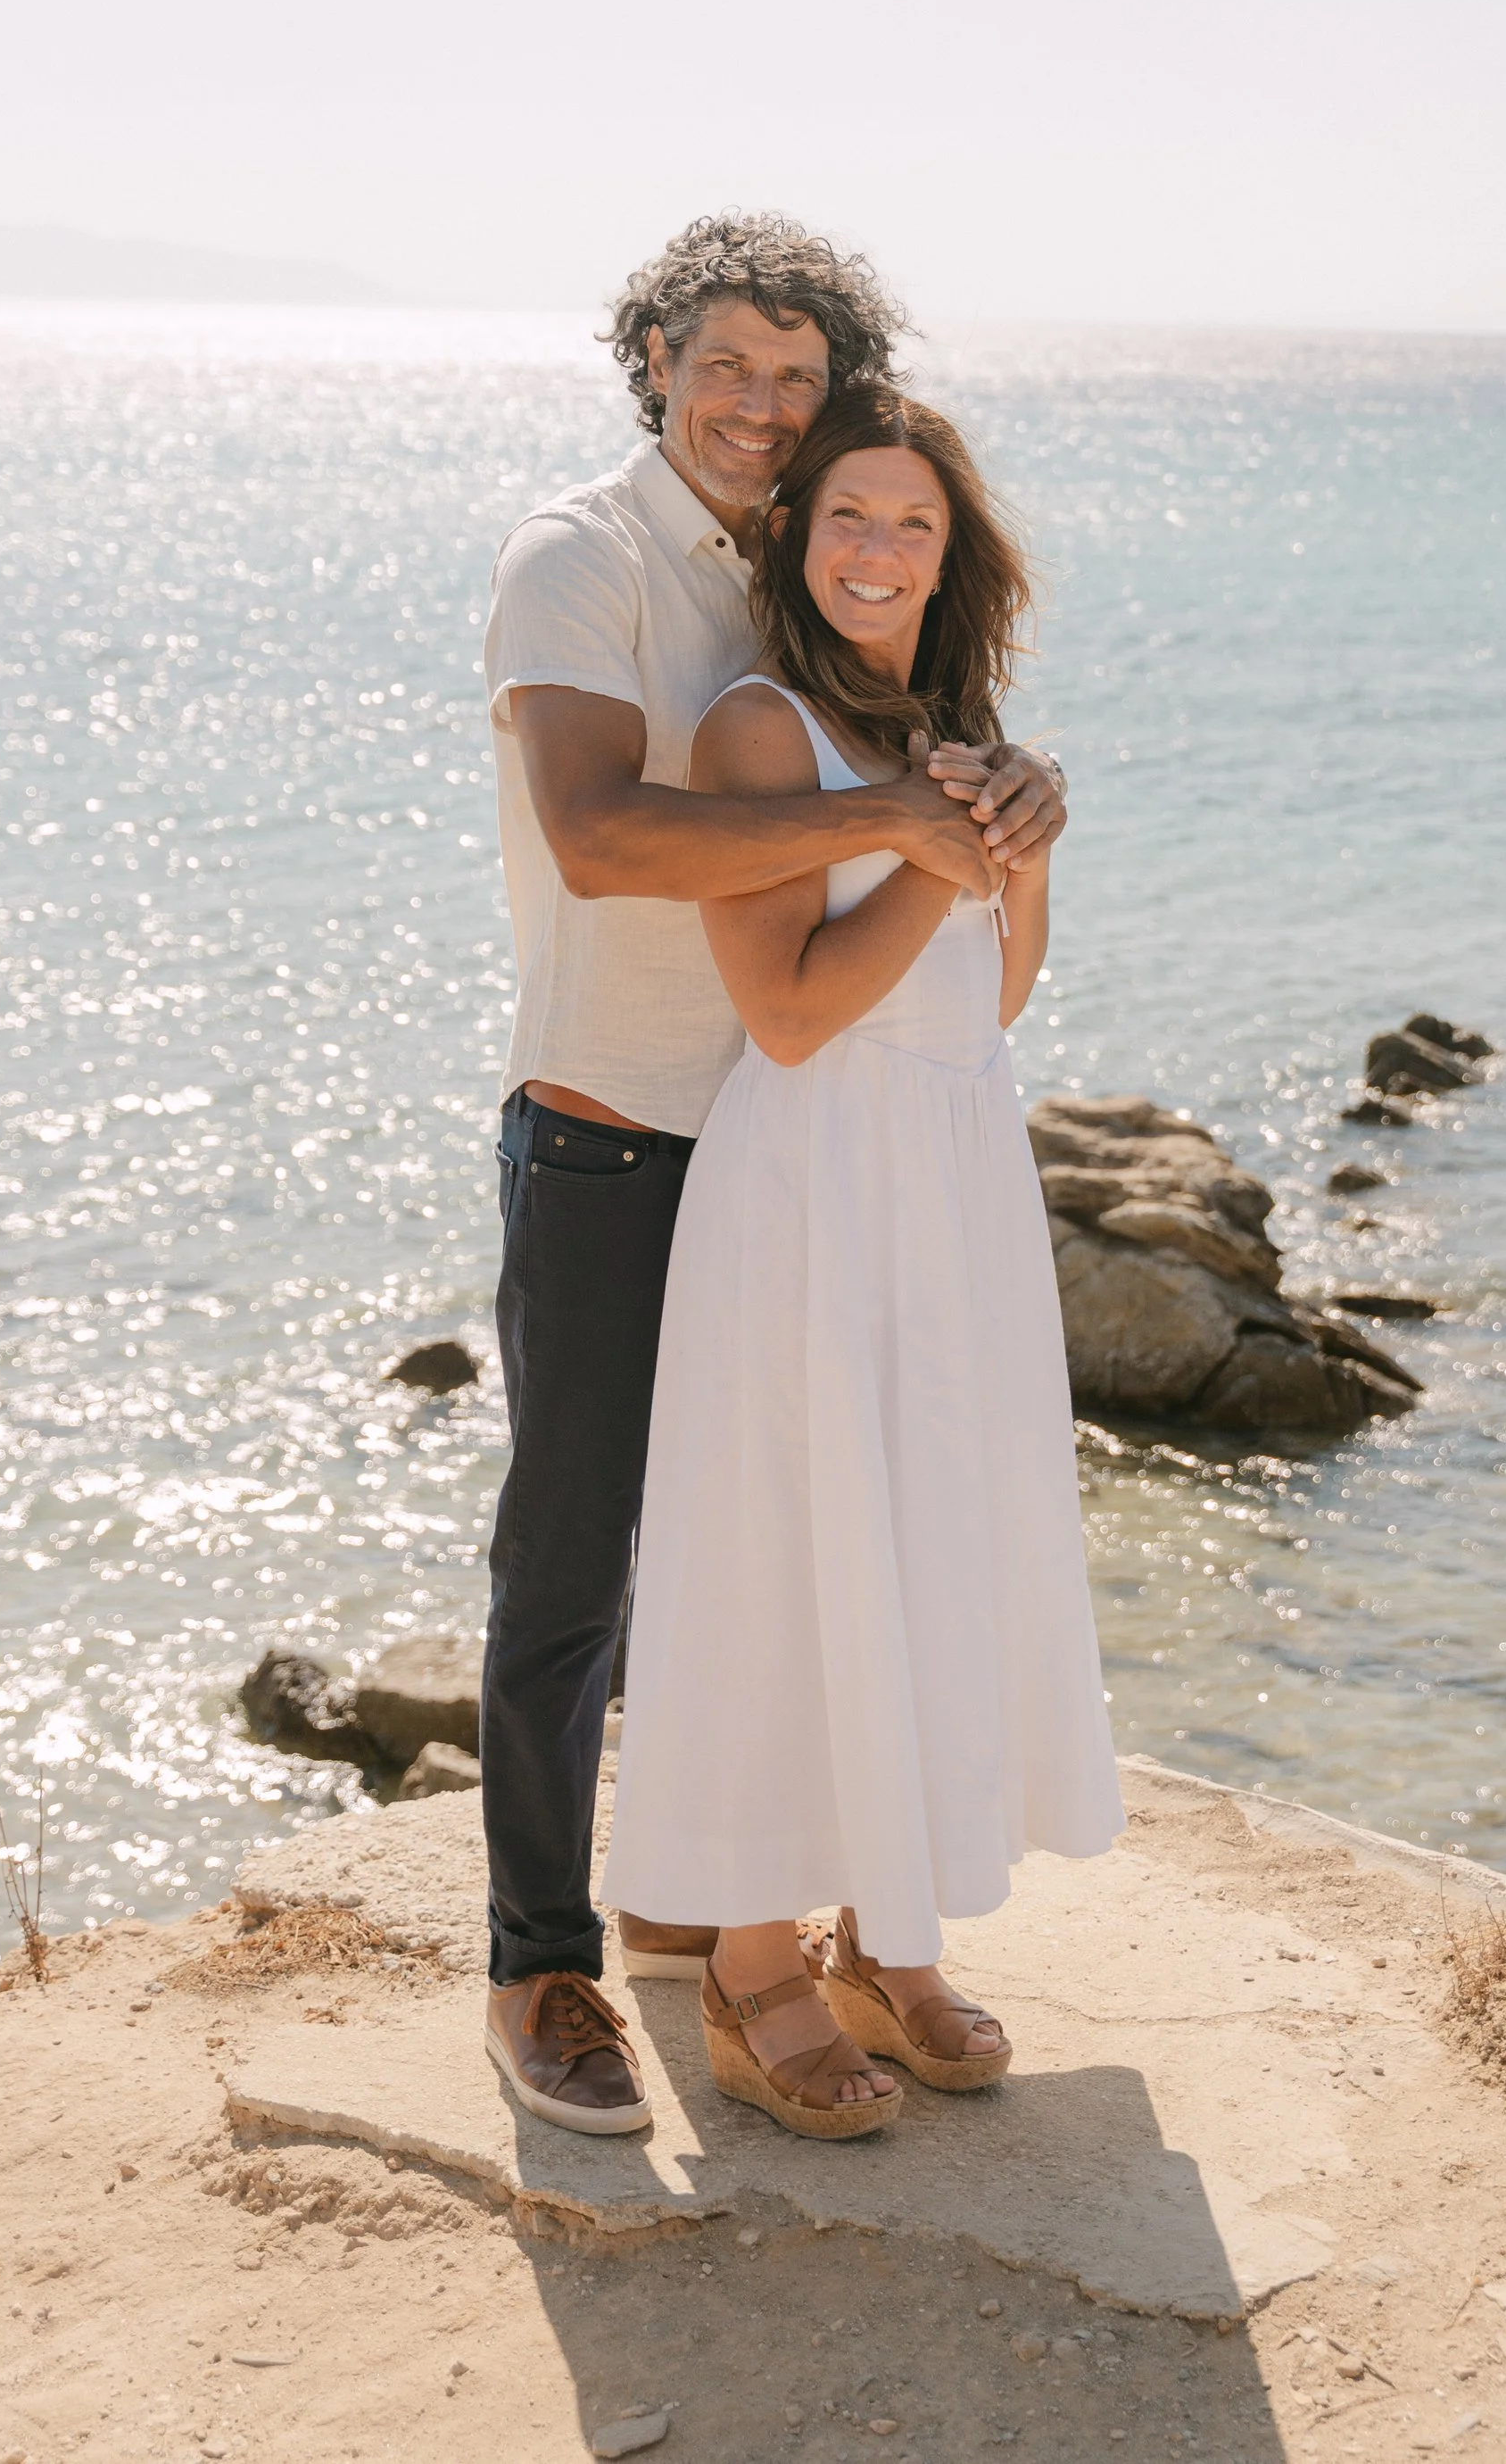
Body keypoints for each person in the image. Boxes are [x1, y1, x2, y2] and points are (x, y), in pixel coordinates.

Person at [478, 216, 1068, 2137]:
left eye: (794, 380)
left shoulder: (795, 568)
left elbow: (939, 935)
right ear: (651, 355)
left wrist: (980, 812)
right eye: (723, 363)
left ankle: (756, 1904)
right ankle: (540, 1966)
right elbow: (595, 831)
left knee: (803, 1537)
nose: (757, 406)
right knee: (575, 1566)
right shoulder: (584, 557)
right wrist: (909, 817)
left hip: (792, 1145)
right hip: (617, 1120)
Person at [601, 386, 1122, 2136]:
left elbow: (996, 988)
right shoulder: (760, 733)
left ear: (950, 550)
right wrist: (918, 838)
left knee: (922, 1544)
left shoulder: (951, 724)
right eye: (844, 519)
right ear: (795, 540)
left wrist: (1015, 841)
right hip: (814, 1184)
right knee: (786, 1555)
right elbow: (794, 1014)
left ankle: (880, 1940)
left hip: (951, 1174)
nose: (875, 551)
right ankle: (752, 1965)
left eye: (908, 523)